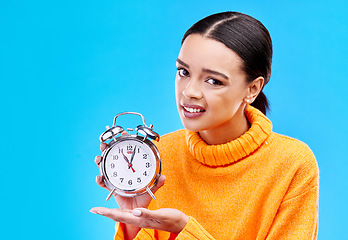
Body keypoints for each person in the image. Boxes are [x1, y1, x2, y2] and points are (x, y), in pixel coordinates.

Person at [91, 11, 319, 240]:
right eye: (183, 72)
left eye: (213, 81)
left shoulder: (292, 165)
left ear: (253, 89)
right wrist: (134, 222)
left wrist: (185, 231)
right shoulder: (155, 157)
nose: (189, 91)